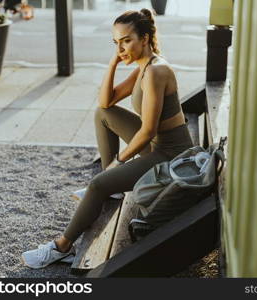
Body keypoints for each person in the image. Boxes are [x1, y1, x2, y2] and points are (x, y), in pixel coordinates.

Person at [21, 8, 194, 269]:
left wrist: (119, 161)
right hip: (157, 145)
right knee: (103, 114)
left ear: (144, 38)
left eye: (126, 40)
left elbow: (147, 131)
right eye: (116, 43)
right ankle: (110, 187)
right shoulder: (144, 67)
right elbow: (106, 101)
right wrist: (113, 63)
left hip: (170, 156)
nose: (121, 48)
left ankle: (61, 247)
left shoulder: (157, 71)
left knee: (97, 185)